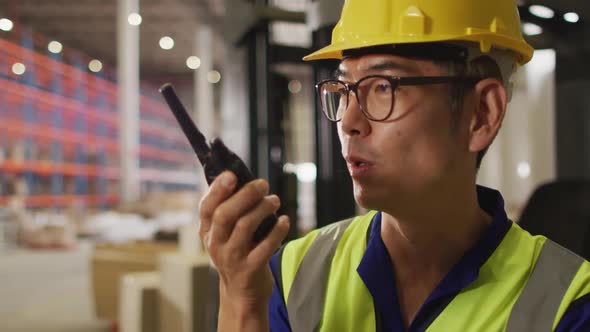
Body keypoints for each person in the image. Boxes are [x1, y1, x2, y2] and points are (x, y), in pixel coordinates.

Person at [199, 0, 590, 331]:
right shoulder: (289, 276)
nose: (349, 121)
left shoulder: (567, 303)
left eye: (384, 86)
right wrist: (241, 300)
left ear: (481, 115)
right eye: (344, 89)